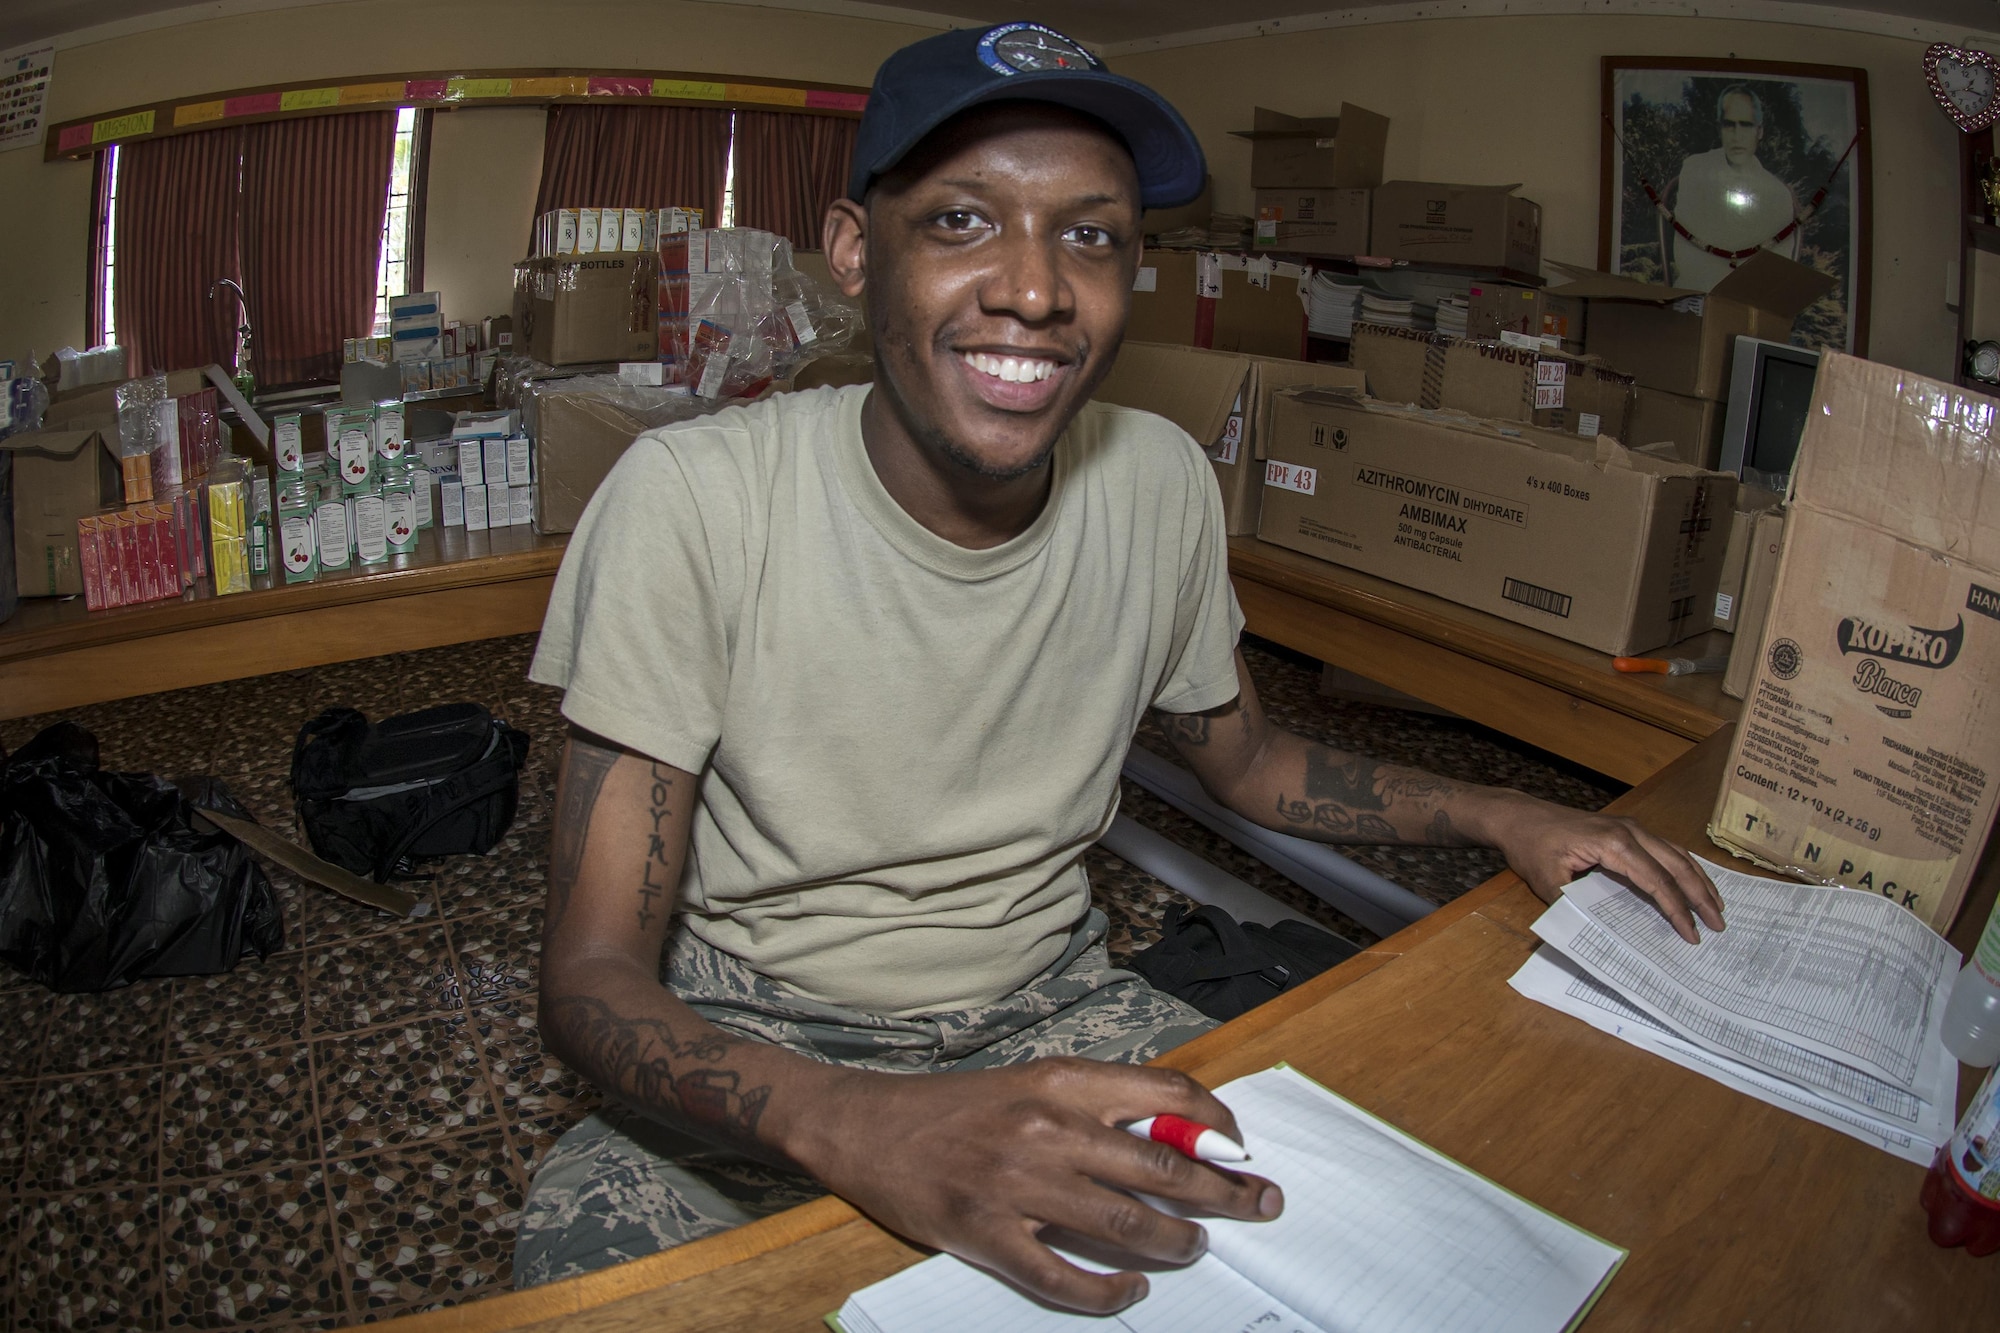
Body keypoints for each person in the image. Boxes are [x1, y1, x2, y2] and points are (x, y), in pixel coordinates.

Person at [514, 20, 1726, 1314]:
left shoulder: (1156, 482)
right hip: (766, 1030)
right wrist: (858, 1123)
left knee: (1368, 1230)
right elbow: (591, 976)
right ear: (858, 251)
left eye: (1089, 234)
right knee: (597, 1278)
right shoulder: (694, 502)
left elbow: (1250, 762)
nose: (1035, 288)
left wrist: (1506, 810)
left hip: (1056, 1012)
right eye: (965, 221)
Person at [1667, 84, 1801, 291]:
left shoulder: (1778, 195)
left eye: (1746, 125)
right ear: (1719, 129)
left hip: (1751, 301)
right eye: (1729, 125)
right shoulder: (1695, 169)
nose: (1737, 135)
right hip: (1696, 295)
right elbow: (1687, 256)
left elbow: (1777, 272)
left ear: (1760, 131)